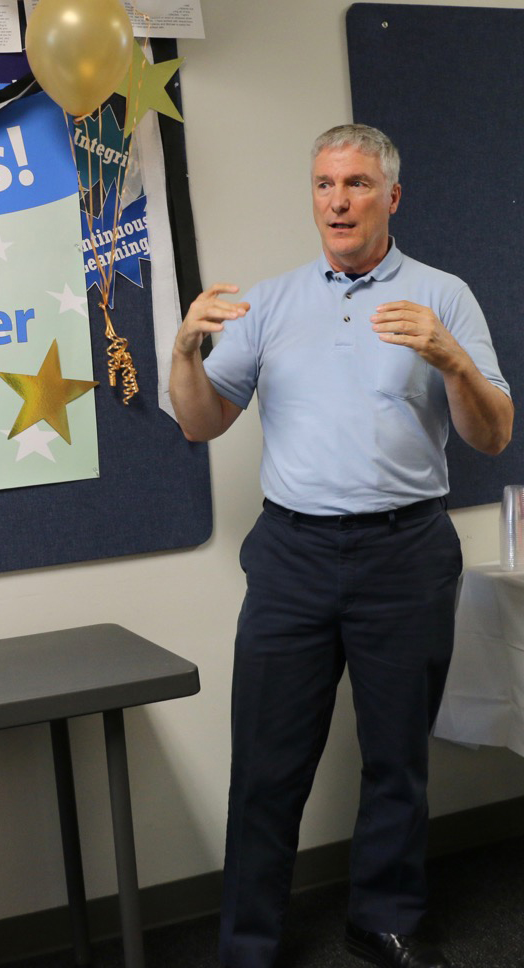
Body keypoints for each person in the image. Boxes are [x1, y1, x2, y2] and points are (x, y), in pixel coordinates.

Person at [169, 124, 512, 968]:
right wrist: (185, 350)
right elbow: (198, 419)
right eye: (325, 184)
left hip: (407, 552)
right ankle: (247, 943)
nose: (338, 200)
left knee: (397, 757)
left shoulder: (445, 297)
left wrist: (452, 359)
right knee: (266, 766)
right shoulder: (273, 303)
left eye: (357, 184)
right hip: (292, 556)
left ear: (391, 197)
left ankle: (382, 918)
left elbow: (494, 435)